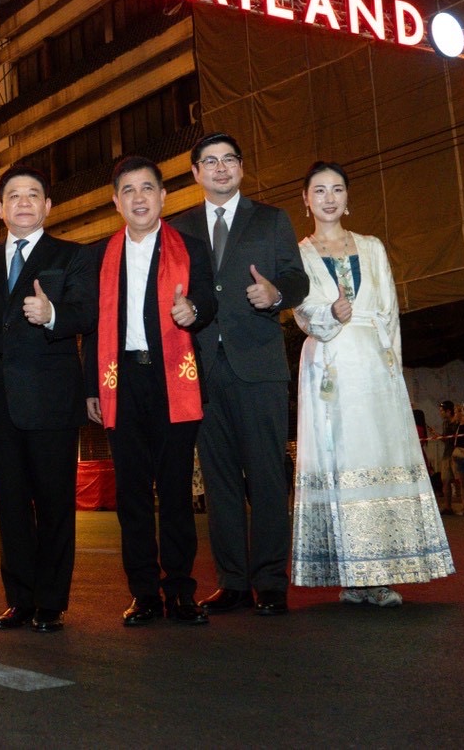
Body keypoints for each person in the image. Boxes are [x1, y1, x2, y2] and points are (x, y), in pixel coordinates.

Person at [289, 161, 453, 606]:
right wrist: (328, 315)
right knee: (340, 461)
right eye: (319, 190)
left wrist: (392, 369)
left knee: (379, 456)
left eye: (337, 189)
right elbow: (301, 311)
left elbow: (390, 312)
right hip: (328, 366)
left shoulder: (372, 247)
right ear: (306, 200)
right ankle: (349, 572)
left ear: (347, 197)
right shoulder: (298, 254)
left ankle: (380, 572)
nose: (328, 198)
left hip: (374, 368)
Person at [169, 133, 308, 617]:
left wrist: (275, 295)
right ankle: (232, 581)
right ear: (196, 173)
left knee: (267, 475)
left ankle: (269, 581)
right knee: (219, 479)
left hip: (260, 365)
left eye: (229, 159)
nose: (220, 168)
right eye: (210, 161)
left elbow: (297, 277)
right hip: (202, 368)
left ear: (242, 168)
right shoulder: (179, 227)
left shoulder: (271, 219)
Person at [83, 156, 217, 627]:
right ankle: (143, 593)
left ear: (163, 196)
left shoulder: (190, 248)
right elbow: (92, 326)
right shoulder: (99, 255)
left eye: (147, 188)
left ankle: (180, 591)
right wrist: (91, 387)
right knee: (133, 494)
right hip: (120, 381)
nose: (138, 198)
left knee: (176, 490)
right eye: (128, 190)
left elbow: (208, 299)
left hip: (174, 378)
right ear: (116, 201)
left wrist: (193, 310)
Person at [0, 164, 96, 633]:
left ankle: (51, 602)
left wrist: (52, 312)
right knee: (12, 505)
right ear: (0, 208)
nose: (23, 202)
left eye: (33, 194)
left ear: (48, 205)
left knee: (55, 503)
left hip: (50, 399)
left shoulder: (72, 255)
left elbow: (87, 313)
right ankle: (19, 599)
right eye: (13, 196)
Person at [437, 401, 464, 515]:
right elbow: (448, 439)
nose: (440, 413)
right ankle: (451, 507)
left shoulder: (461, 423)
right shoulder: (446, 423)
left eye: (442, 411)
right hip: (450, 454)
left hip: (462, 454)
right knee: (447, 480)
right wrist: (440, 437)